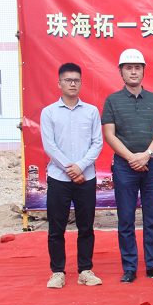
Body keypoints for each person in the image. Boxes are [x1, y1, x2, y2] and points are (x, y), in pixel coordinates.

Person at [101, 49, 153, 283]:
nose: (133, 72)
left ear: (143, 71)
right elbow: (109, 135)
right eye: (128, 68)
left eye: (137, 67)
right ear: (121, 72)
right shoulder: (112, 100)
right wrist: (132, 157)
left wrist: (147, 155)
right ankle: (129, 267)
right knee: (126, 219)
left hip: (152, 165)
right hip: (124, 166)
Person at [41, 62, 103, 289]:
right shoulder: (49, 112)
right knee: (56, 228)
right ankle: (57, 272)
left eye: (76, 80)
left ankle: (85, 270)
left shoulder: (91, 111)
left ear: (81, 83)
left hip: (86, 178)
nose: (72, 84)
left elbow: (97, 143)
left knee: (86, 227)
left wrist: (81, 167)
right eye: (68, 80)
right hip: (59, 178)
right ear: (59, 83)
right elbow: (49, 145)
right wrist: (70, 169)